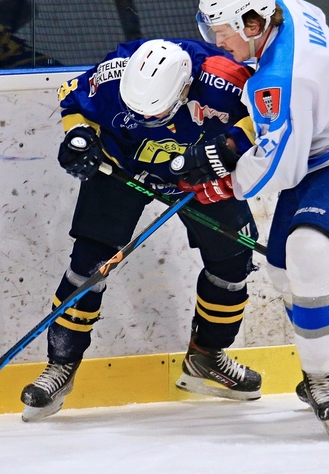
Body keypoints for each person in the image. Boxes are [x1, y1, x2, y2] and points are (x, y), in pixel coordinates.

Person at [170, 0, 329, 437]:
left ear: (253, 23)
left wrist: (223, 181)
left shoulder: (283, 79)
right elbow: (285, 130)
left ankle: (318, 380)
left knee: (308, 250)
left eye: (224, 33)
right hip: (320, 142)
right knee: (280, 270)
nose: (218, 44)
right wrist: (231, 149)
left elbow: (282, 167)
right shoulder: (287, 6)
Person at [20, 38, 267, 422]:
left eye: (157, 113)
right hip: (121, 168)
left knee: (233, 263)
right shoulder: (112, 73)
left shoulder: (226, 78)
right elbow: (74, 104)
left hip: (198, 173)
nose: (147, 120)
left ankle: (206, 357)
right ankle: (60, 365)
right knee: (88, 263)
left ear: (185, 89)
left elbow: (269, 114)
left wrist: (228, 151)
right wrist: (79, 137)